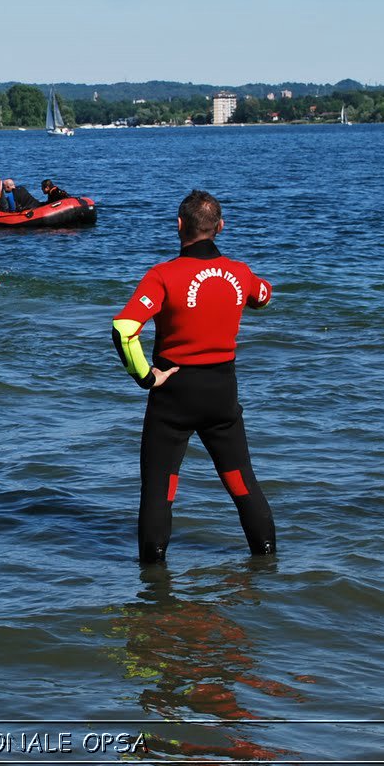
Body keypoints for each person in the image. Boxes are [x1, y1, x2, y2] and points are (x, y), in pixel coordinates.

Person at [111, 190, 276, 565]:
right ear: (220, 227)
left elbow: (124, 328)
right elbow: (264, 296)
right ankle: (268, 571)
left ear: (179, 225)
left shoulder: (163, 276)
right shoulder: (240, 272)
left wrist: (146, 378)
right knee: (241, 482)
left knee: (160, 489)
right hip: (221, 392)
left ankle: (153, 587)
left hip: (175, 394)